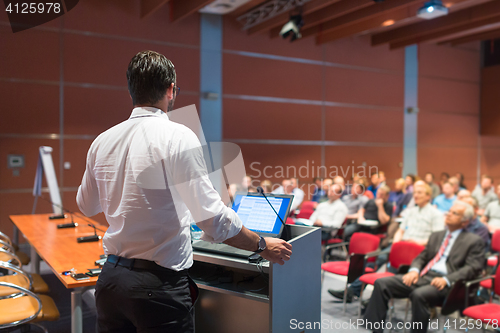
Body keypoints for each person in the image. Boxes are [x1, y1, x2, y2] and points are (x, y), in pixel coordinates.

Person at [76, 51, 292, 333]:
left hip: (111, 281)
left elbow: (86, 205)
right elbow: (212, 218)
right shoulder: (178, 136)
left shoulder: (102, 141)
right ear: (170, 89)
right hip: (157, 286)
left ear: (132, 89)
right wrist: (261, 245)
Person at [363, 201, 484, 333]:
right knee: (382, 283)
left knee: (419, 295)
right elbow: (422, 257)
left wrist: (447, 279)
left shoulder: (473, 241)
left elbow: (473, 268)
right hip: (425, 276)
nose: (448, 215)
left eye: (454, 213)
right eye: (449, 211)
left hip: (448, 284)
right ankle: (374, 329)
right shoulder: (436, 235)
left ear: (465, 222)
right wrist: (414, 271)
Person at [328, 183, 444, 303]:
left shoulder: (436, 214)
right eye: (415, 192)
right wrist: (396, 243)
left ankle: (375, 298)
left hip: (420, 250)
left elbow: (436, 240)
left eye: (419, 193)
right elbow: (401, 230)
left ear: (428, 196)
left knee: (391, 269)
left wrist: (416, 242)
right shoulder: (411, 211)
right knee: (374, 260)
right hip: (401, 246)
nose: (416, 195)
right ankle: (353, 291)